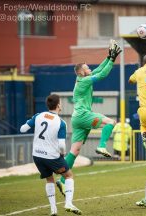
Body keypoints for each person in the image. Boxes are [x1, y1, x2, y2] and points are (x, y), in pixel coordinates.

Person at [56, 41, 122, 195]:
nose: (90, 69)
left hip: (77, 118)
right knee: (111, 122)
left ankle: (62, 180)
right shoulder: (84, 81)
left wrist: (109, 57)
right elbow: (103, 74)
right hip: (83, 115)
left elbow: (98, 69)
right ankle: (102, 145)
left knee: (75, 151)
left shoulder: (82, 79)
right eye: (87, 68)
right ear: (81, 73)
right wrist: (112, 60)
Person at [20, 94, 81, 216]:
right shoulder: (61, 122)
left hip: (37, 155)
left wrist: (30, 123)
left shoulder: (38, 116)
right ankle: (68, 203)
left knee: (49, 179)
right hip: (52, 157)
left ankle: (53, 209)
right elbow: (62, 145)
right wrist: (62, 155)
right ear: (58, 105)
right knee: (68, 176)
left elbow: (22, 129)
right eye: (61, 103)